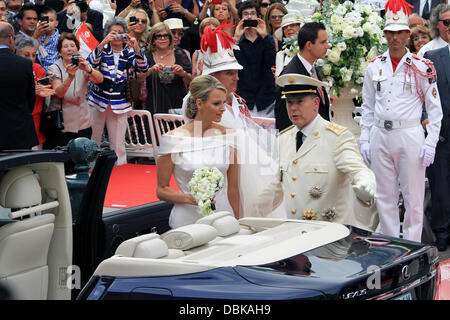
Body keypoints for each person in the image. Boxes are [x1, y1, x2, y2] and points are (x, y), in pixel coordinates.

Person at [359, 0, 442, 242]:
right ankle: (390, 246)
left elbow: (435, 110)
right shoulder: (375, 67)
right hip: (380, 135)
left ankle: (413, 248)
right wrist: (365, 138)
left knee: (413, 198)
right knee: (385, 197)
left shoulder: (421, 67)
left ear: (407, 34)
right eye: (390, 33)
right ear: (385, 34)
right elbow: (368, 106)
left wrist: (431, 142)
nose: (395, 38)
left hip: (409, 136)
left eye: (399, 32)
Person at [276, 74, 376, 227]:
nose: (293, 108)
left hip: (329, 235)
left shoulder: (337, 137)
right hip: (294, 233)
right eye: (289, 103)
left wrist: (365, 183)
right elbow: (276, 187)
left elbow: (357, 168)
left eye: (300, 102)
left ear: (316, 103)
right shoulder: (284, 138)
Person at [156, 74, 240, 228]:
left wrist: (238, 222)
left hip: (223, 218)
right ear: (199, 103)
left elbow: (233, 190)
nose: (223, 109)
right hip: (186, 221)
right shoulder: (172, 139)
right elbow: (162, 190)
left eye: (224, 102)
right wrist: (190, 198)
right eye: (216, 103)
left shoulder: (229, 136)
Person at [88, 17, 148, 166]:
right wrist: (102, 44)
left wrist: (136, 48)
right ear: (107, 34)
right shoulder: (102, 49)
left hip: (120, 102)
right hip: (98, 100)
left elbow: (143, 67)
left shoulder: (129, 52)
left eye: (120, 32)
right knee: (93, 139)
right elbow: (90, 63)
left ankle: (120, 168)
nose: (117, 36)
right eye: (113, 33)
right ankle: (90, 167)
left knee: (118, 143)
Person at [44, 32, 103, 149]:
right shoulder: (53, 68)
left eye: (72, 46)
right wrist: (70, 77)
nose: (69, 49)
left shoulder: (84, 65)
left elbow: (99, 79)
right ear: (60, 52)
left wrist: (88, 69)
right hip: (62, 121)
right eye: (65, 47)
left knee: (82, 155)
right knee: (65, 158)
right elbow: (59, 93)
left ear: (77, 49)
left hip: (82, 118)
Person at [423, 23, 450, 251]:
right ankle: (441, 232)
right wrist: (425, 119)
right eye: (447, 23)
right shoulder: (432, 57)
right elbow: (422, 91)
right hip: (441, 134)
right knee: (440, 187)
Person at [275, 21, 331, 131]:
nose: (328, 46)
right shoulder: (292, 75)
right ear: (309, 45)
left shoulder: (310, 68)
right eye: (323, 42)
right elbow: (286, 120)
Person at [234, 1, 276, 118]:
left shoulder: (267, 39)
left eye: (252, 13)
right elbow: (232, 62)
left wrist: (264, 35)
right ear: (240, 18)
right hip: (244, 97)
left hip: (266, 97)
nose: (249, 16)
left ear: (259, 17)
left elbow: (272, 60)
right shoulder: (237, 42)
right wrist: (236, 38)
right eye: (245, 14)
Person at [0, 21, 38, 150]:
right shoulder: (24, 64)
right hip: (19, 131)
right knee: (21, 170)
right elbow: (31, 99)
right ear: (11, 39)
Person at [15, 37, 55, 150]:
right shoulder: (12, 69)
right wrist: (31, 91)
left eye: (34, 55)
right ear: (16, 53)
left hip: (36, 122)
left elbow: (44, 92)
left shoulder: (38, 69)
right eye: (26, 55)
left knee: (36, 161)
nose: (31, 59)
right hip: (17, 122)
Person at [144, 22, 192, 113]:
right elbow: (137, 79)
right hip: (154, 105)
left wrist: (183, 73)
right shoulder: (147, 56)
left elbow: (190, 81)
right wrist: (150, 70)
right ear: (153, 40)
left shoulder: (180, 54)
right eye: (158, 36)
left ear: (170, 39)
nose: (162, 39)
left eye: (166, 36)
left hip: (177, 106)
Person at [274, 13, 302, 77]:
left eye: (292, 25)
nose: (288, 28)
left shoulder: (310, 49)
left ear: (300, 27)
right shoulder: (281, 55)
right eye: (285, 27)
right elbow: (278, 81)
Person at [33, 7, 60, 73]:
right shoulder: (37, 35)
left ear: (56, 23)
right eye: (45, 20)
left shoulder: (60, 39)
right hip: (38, 72)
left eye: (51, 20)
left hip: (54, 73)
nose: (48, 23)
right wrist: (36, 36)